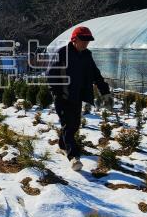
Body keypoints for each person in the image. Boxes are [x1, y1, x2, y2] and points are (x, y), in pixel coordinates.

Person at [46, 25, 112, 171]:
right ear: (74, 39)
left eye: (88, 40)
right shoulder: (62, 53)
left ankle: (63, 146)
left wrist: (105, 91)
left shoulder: (87, 55)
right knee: (68, 126)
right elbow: (51, 75)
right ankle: (73, 157)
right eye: (84, 39)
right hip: (62, 97)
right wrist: (57, 93)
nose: (86, 43)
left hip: (77, 97)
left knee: (74, 125)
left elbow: (96, 74)